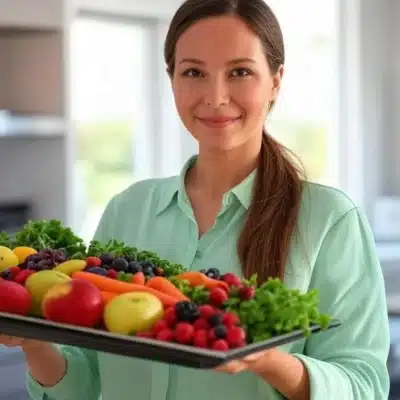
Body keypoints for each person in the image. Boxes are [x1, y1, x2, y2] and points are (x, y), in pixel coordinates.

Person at [0, 0, 390, 399]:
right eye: (194, 72)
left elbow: (364, 386)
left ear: (275, 81)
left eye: (239, 72)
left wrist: (271, 361)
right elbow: (83, 384)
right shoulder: (128, 209)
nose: (215, 96)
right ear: (172, 80)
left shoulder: (329, 220)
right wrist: (34, 341)